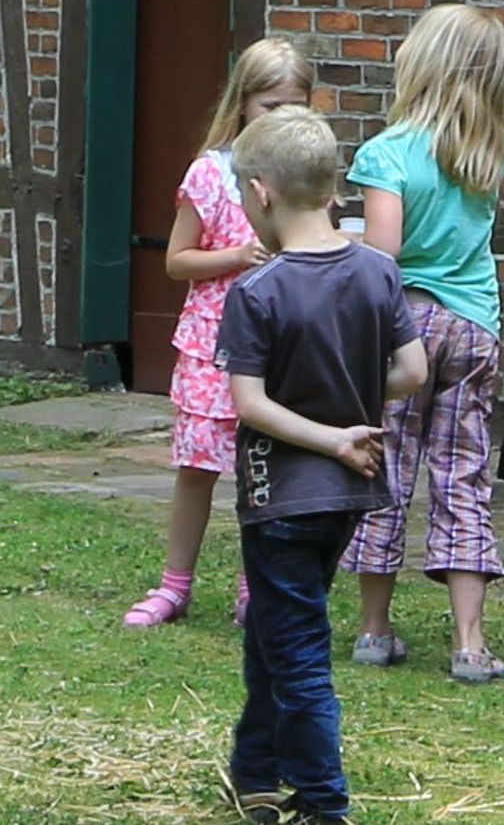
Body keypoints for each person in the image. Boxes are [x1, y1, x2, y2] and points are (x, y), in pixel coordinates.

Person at [217, 105, 426, 825]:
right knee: (274, 627)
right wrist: (354, 408)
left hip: (282, 498)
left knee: (299, 649)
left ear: (263, 190)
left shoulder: (257, 290)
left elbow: (249, 402)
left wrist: (331, 435)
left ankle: (324, 802)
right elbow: (414, 368)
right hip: (347, 496)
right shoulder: (377, 270)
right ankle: (256, 770)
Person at [344, 2, 504, 683]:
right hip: (474, 326)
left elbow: (383, 256)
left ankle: (373, 628)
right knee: (463, 478)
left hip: (405, 331)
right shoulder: (484, 156)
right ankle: (470, 643)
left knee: (383, 469)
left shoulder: (386, 153)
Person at [132, 35, 318, 629]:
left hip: (280, 344)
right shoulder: (211, 174)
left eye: (295, 106)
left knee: (267, 471)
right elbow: (177, 261)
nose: (282, 119)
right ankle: (174, 585)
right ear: (242, 104)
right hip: (213, 344)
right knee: (198, 467)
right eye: (271, 107)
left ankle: (255, 588)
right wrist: (236, 256)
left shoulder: (305, 178)